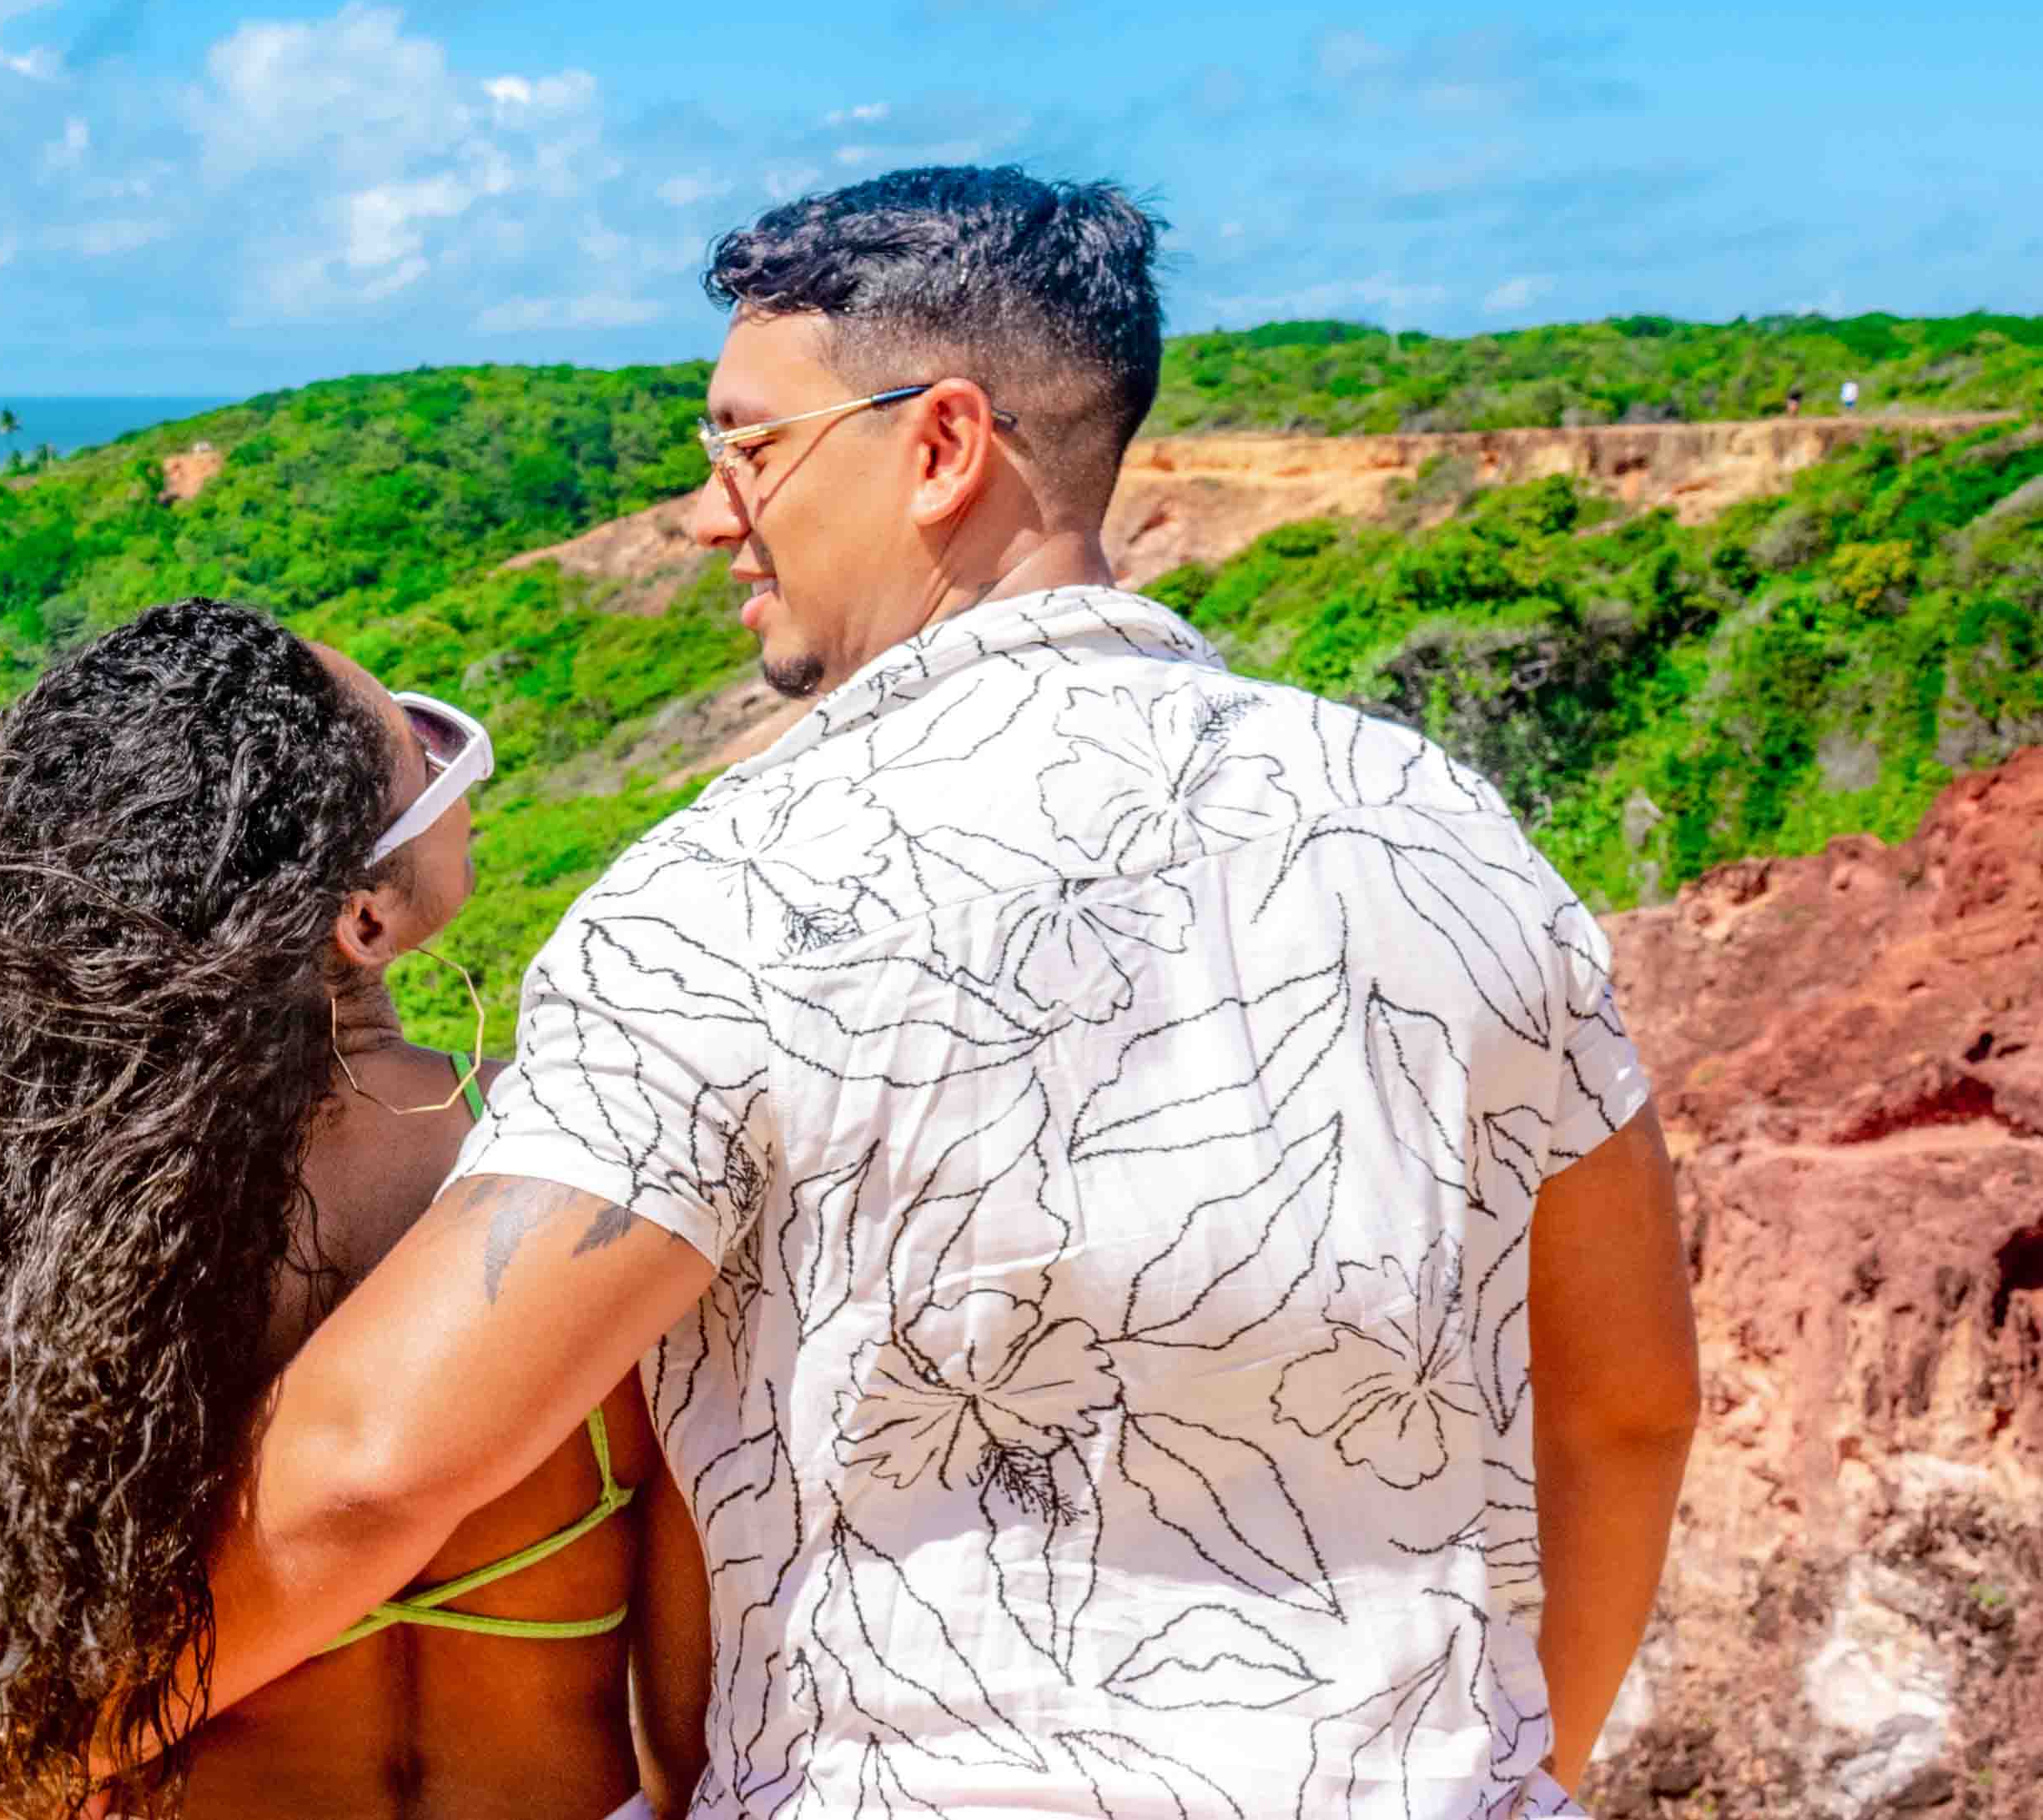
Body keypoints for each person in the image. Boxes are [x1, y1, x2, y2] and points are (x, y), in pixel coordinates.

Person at [163, 167, 1700, 1817]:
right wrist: (1509, 1774)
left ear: (941, 444)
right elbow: (1623, 1406)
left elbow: (369, 1466)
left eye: (746, 446)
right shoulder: (1439, 830)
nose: (708, 516)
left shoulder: (723, 895)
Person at [0, 597, 708, 1820]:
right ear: (362, 916)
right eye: (420, 748)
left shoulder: (52, 1243)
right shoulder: (590, 1163)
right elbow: (700, 1687)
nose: (448, 758)